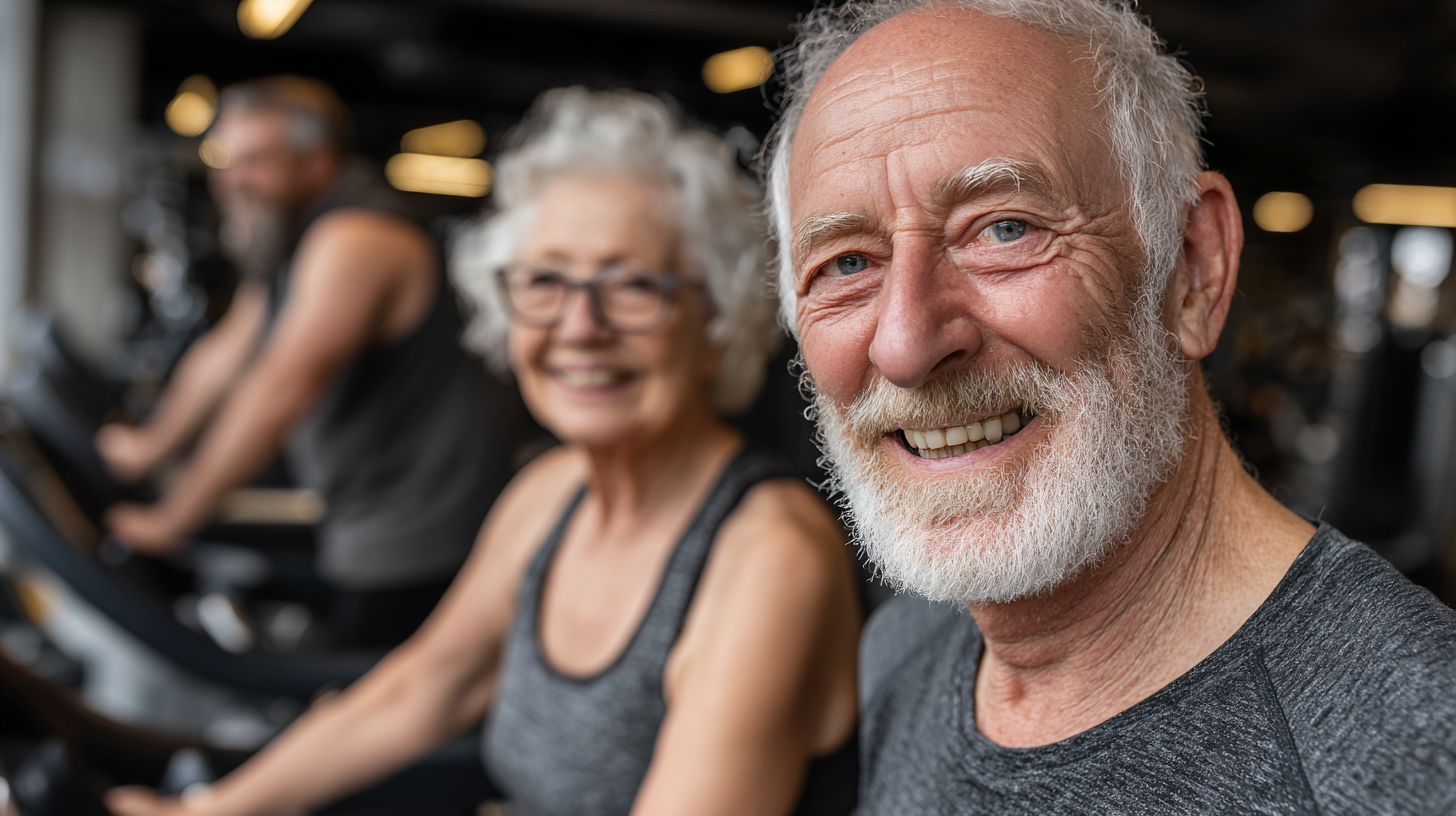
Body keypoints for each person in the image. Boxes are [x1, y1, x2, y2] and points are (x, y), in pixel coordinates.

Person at [765, 0, 1456, 813]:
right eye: (846, 263)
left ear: (1193, 267)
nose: (906, 344)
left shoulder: (1411, 756)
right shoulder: (905, 647)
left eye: (1005, 229)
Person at [107, 88, 862, 816]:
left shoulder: (767, 558)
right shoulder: (552, 492)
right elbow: (419, 691)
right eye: (546, 281)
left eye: (633, 285)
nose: (579, 327)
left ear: (718, 324)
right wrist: (208, 809)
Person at [95, 76, 517, 648]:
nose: (232, 179)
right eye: (225, 160)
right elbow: (224, 353)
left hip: (422, 532)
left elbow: (279, 388)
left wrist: (171, 522)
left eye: (256, 162)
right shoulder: (291, 239)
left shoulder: (356, 237)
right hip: (366, 519)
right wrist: (147, 450)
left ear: (316, 163)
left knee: (370, 690)